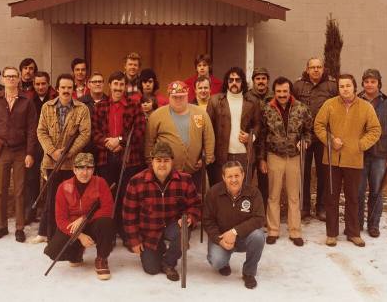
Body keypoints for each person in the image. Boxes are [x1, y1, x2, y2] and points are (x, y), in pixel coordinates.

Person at [314, 73, 381, 247]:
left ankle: (353, 232)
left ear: (354, 87)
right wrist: (330, 140)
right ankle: (331, 233)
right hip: (332, 160)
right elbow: (318, 125)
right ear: (338, 88)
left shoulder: (365, 107)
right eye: (341, 86)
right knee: (331, 197)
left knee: (353, 197)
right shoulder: (329, 105)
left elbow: (375, 130)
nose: (345, 89)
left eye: (348, 86)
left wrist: (360, 145)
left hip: (354, 159)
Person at [123, 142, 201, 281]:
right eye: (158, 160)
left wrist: (189, 217)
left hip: (172, 227)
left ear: (172, 161)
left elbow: (195, 205)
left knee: (183, 232)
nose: (162, 165)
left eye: (166, 160)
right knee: (152, 269)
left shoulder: (185, 180)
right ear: (151, 161)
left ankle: (168, 262)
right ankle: (158, 250)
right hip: (149, 231)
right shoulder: (136, 182)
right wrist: (134, 240)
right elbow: (129, 215)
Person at [0, 66, 38, 242]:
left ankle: (19, 228)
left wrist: (30, 153)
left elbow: (31, 130)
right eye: (8, 76)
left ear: (19, 79)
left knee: (20, 190)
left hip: (20, 150)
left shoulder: (26, 101)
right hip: (2, 149)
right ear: (3, 79)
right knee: (0, 190)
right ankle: (1, 226)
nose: (11, 79)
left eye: (14, 76)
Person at [33, 73, 91, 244]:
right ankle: (51, 237)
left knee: (71, 202)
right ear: (57, 89)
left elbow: (85, 134)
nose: (66, 91)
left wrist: (68, 152)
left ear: (73, 89)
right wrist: (52, 151)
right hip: (51, 163)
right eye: (63, 87)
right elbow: (41, 131)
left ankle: (68, 236)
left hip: (72, 165)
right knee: (51, 201)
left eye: (69, 87)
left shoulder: (82, 109)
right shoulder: (47, 107)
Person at [91, 71, 146, 245]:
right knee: (108, 195)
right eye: (115, 84)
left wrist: (120, 141)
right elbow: (94, 132)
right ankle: (110, 233)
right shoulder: (100, 106)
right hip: (106, 158)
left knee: (126, 196)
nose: (118, 88)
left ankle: (126, 233)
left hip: (129, 159)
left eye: (121, 84)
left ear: (125, 87)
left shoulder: (134, 105)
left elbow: (139, 130)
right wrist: (108, 142)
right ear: (110, 85)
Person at [44, 153, 115, 280]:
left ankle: (102, 259)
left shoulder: (101, 183)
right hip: (73, 227)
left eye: (88, 168)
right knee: (53, 251)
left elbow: (108, 209)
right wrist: (79, 235)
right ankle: (76, 253)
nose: (85, 172)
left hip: (92, 223)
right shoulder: (63, 187)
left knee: (106, 222)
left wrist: (83, 218)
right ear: (74, 169)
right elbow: (60, 220)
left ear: (93, 169)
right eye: (81, 168)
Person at [259, 77, 312, 247]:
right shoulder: (267, 109)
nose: (282, 95)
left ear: (290, 92)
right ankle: (273, 230)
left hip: (294, 156)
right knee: (273, 195)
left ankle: (295, 231)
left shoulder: (301, 109)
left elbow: (308, 131)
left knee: (293, 195)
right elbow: (261, 136)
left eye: (285, 91)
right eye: (279, 91)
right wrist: (262, 158)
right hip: (274, 155)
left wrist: (305, 140)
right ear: (274, 92)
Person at [203, 160, 266, 289]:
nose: (233, 180)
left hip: (243, 237)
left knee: (259, 236)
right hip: (222, 238)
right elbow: (207, 221)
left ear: (243, 175)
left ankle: (249, 273)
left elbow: (259, 219)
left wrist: (234, 232)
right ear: (223, 177)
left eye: (237, 176)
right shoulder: (213, 193)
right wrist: (219, 240)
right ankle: (224, 263)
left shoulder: (254, 193)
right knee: (217, 261)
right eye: (229, 176)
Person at [145, 80, 215, 192]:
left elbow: (209, 137)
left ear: (187, 96)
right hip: (166, 172)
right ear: (169, 96)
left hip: (194, 172)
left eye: (181, 97)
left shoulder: (200, 113)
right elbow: (149, 142)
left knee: (193, 202)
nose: (178, 100)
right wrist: (151, 164)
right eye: (175, 97)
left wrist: (207, 158)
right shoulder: (156, 115)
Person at [357, 69, 387, 238]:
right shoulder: (355, 101)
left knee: (376, 190)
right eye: (366, 81)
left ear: (379, 84)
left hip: (380, 155)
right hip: (359, 154)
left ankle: (373, 225)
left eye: (373, 81)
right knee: (358, 191)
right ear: (362, 83)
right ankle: (357, 223)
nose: (369, 84)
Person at [293, 57, 338, 221]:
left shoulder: (332, 86)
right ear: (307, 69)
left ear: (323, 68)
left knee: (323, 173)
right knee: (303, 172)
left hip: (323, 136)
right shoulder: (298, 86)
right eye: (313, 67)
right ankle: (304, 207)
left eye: (319, 67)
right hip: (303, 136)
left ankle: (321, 207)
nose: (316, 70)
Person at [206, 67, 260, 187]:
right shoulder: (215, 101)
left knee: (243, 190)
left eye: (237, 80)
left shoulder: (253, 101)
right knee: (221, 191)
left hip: (244, 154)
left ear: (242, 82)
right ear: (226, 82)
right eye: (231, 80)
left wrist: (252, 136)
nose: (234, 83)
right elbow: (208, 130)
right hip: (221, 155)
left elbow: (258, 124)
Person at [24, 71, 57, 224]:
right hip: (34, 144)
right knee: (31, 179)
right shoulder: (29, 99)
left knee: (49, 178)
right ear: (33, 85)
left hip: (50, 144)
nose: (40, 86)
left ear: (48, 83)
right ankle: (30, 212)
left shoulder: (55, 98)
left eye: (43, 83)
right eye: (37, 84)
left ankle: (47, 212)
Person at [245, 67, 273, 212]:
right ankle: (247, 210)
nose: (261, 81)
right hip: (250, 144)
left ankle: (263, 212)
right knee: (247, 180)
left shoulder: (274, 96)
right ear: (253, 81)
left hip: (268, 145)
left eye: (263, 78)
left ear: (267, 80)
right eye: (258, 78)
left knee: (265, 182)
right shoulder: (247, 97)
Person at [78, 72, 108, 160]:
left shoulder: (109, 101)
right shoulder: (81, 103)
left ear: (103, 84)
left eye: (100, 81)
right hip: (85, 148)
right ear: (88, 84)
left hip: (104, 149)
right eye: (94, 82)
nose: (98, 84)